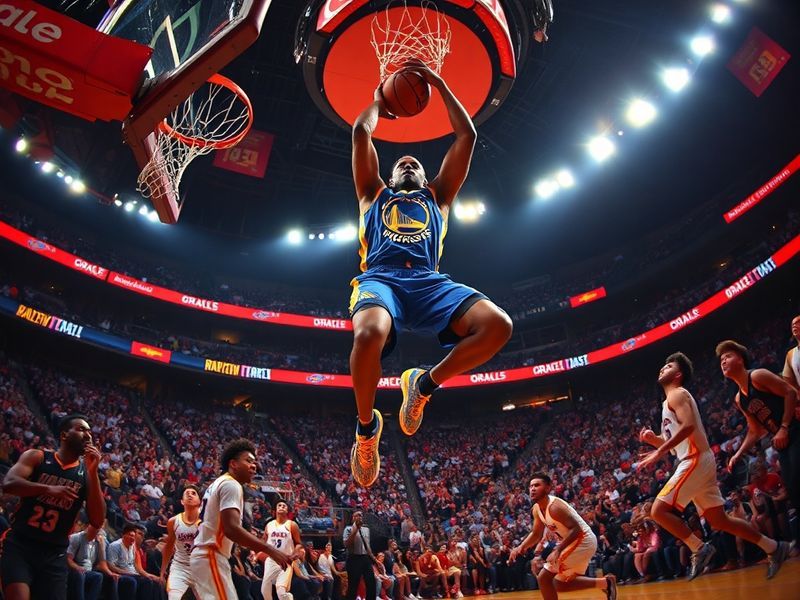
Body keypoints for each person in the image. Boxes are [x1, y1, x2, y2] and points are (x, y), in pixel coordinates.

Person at [348, 59, 513, 486]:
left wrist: (438, 83)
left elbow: (466, 135)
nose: (407, 165)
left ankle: (423, 385)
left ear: (426, 177)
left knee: (499, 326)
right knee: (368, 335)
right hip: (381, 277)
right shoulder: (372, 193)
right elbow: (361, 132)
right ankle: (366, 430)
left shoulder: (438, 197)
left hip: (429, 280)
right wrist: (379, 101)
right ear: (389, 175)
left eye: (415, 165)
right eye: (401, 164)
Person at [638, 351, 792, 580]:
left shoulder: (678, 394)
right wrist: (655, 440)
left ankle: (699, 548)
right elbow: (675, 444)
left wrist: (658, 451)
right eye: (663, 365)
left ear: (678, 375)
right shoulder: (667, 403)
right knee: (719, 520)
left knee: (658, 511)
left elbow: (689, 427)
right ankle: (774, 547)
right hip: (695, 460)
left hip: (695, 459)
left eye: (669, 366)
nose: (663, 368)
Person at [0, 413, 105, 600]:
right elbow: (9, 483)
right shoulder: (37, 457)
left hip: (54, 553)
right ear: (64, 435)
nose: (88, 435)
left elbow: (97, 520)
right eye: (81, 429)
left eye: (90, 432)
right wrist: (48, 489)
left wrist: (93, 472)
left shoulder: (87, 475)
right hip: (20, 544)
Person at [190, 438, 293, 599]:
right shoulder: (231, 484)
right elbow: (231, 529)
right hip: (210, 555)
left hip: (207, 556)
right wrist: (270, 549)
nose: (254, 466)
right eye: (248, 461)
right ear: (233, 464)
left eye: (254, 462)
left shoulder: (218, 483)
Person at [718, 340, 800, 522]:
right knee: (792, 491)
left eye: (728, 356)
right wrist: (738, 454)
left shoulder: (757, 376)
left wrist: (784, 426)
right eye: (721, 359)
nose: (723, 361)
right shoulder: (739, 399)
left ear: (740, 359)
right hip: (782, 440)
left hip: (794, 428)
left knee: (796, 479)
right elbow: (755, 430)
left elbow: (790, 392)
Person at [509, 473, 616, 600]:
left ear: (548, 488)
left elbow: (576, 529)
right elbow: (536, 534)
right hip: (575, 541)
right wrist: (520, 547)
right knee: (558, 584)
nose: (532, 489)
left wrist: (558, 550)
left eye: (537, 485)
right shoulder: (536, 509)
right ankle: (605, 583)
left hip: (583, 540)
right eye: (531, 486)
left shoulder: (555, 507)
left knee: (543, 578)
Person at [160, 485, 201, 600]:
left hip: (201, 568)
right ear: (182, 501)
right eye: (187, 493)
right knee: (173, 597)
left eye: (194, 493)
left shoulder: (206, 520)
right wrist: (163, 571)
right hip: (180, 567)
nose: (190, 495)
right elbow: (169, 546)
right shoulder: (173, 522)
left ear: (200, 501)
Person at [106, 522, 162, 599]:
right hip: (120, 573)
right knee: (132, 581)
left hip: (132, 573)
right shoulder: (115, 546)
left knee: (148, 581)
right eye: (130, 535)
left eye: (133, 535)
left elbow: (137, 567)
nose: (132, 538)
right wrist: (126, 572)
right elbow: (110, 565)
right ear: (123, 535)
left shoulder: (133, 547)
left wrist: (149, 576)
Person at [261, 500, 303, 600]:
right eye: (279, 505)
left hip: (285, 560)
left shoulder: (292, 525)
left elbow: (298, 543)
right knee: (264, 590)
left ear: (287, 510)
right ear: (275, 510)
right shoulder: (269, 525)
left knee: (281, 592)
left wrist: (294, 555)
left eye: (284, 506)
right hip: (271, 560)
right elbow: (263, 542)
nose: (281, 507)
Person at [67, 523, 112, 600]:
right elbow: (68, 559)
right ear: (87, 528)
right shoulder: (76, 538)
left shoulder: (99, 541)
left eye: (97, 532)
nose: (94, 534)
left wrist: (101, 546)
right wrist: (78, 567)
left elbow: (102, 563)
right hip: (74, 570)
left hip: (88, 571)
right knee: (80, 574)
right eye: (93, 531)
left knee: (98, 576)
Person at [343, 511, 376, 600]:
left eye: (361, 515)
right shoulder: (348, 529)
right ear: (353, 518)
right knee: (353, 585)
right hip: (354, 558)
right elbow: (347, 544)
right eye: (357, 515)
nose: (359, 517)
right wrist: (355, 530)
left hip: (365, 558)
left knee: (371, 582)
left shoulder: (366, 529)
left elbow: (367, 546)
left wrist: (374, 559)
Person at [782, 315, 800, 392]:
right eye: (793, 324)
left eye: (798, 322)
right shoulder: (790, 354)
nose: (794, 325)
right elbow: (788, 379)